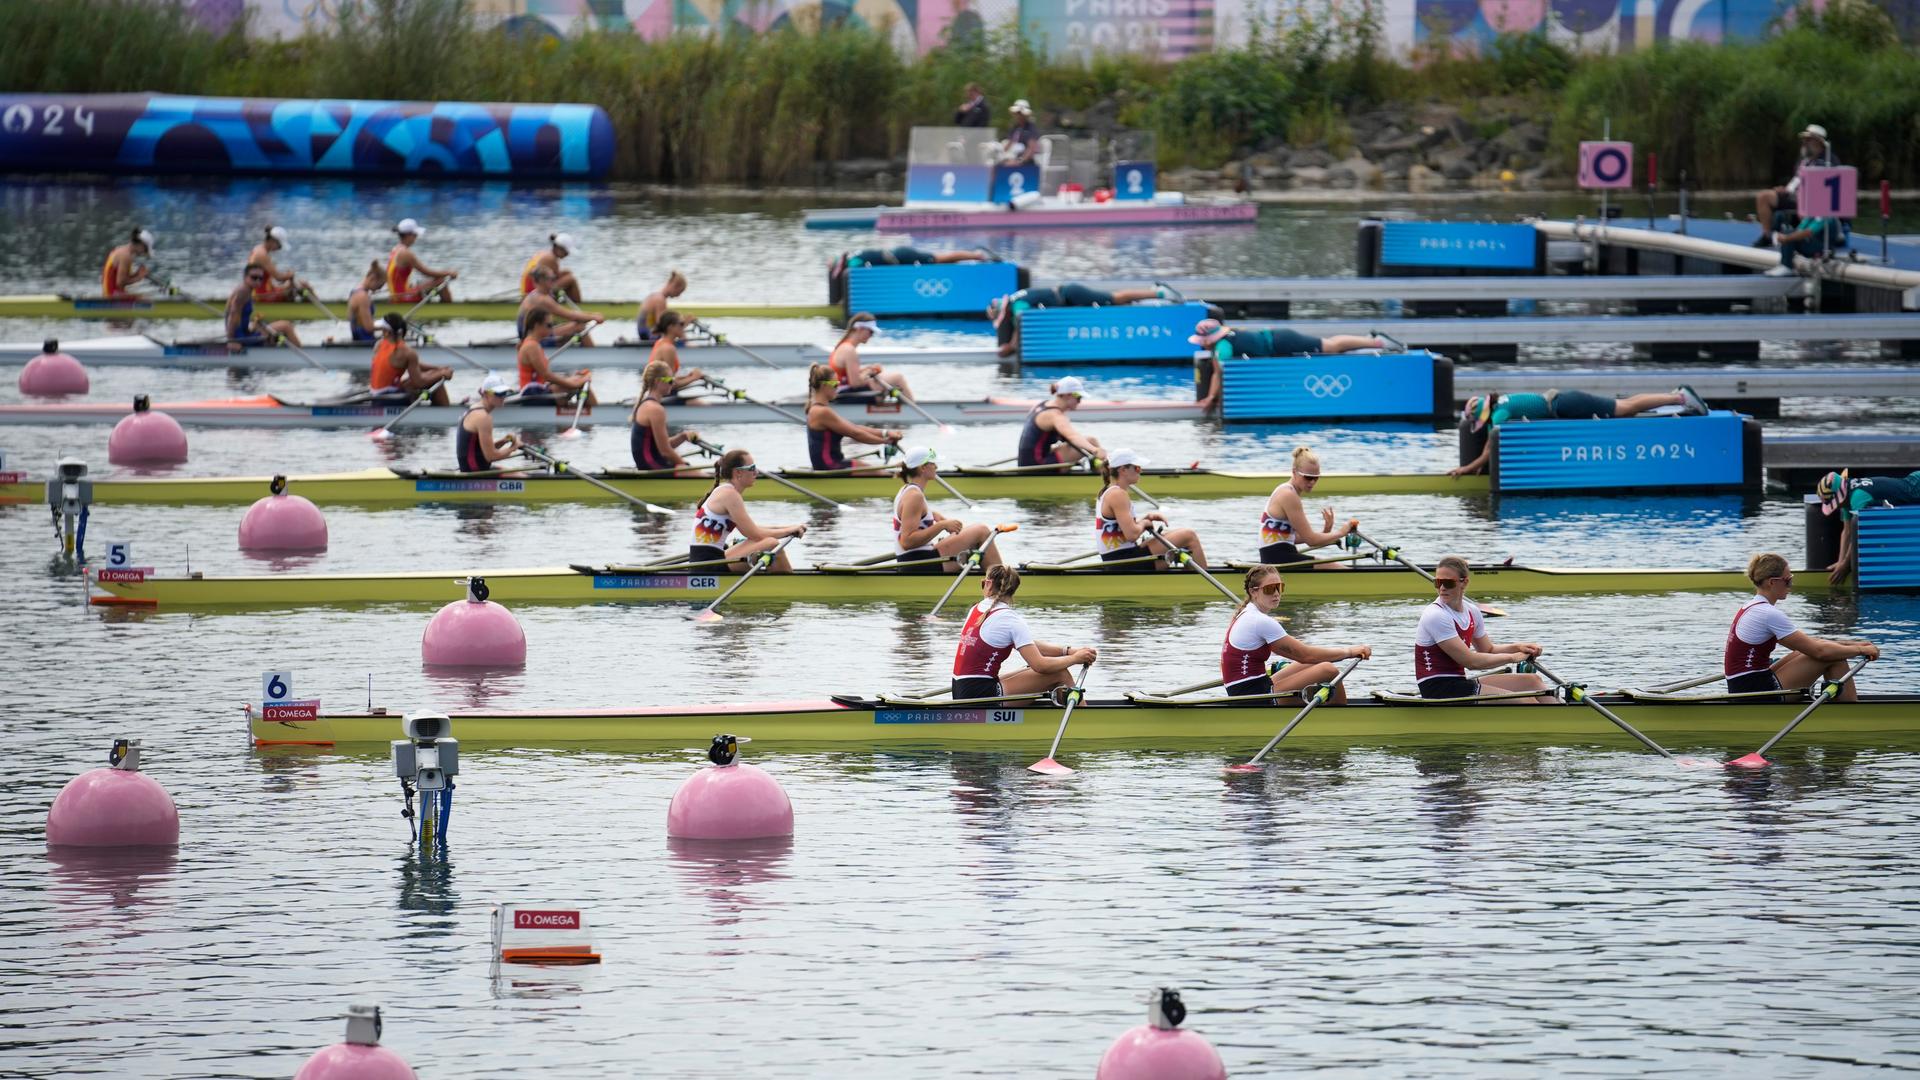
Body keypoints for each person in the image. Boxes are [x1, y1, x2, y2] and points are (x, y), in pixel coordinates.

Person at [1450, 386, 1710, 478]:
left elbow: (1489, 448)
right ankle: (1675, 397)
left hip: (1567, 403)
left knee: (1625, 407)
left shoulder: (1500, 414)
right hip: (1564, 404)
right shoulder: (1502, 404)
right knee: (1627, 409)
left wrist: (1465, 469)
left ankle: (1679, 398)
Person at [1725, 552, 1877, 701]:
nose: (1791, 585)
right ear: (1772, 582)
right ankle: (1850, 714)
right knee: (1833, 657)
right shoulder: (1767, 613)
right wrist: (1861, 650)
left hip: (1746, 684)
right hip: (1753, 692)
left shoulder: (1752, 606)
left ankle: (1845, 707)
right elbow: (1820, 652)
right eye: (1788, 580)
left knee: (1814, 651)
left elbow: (1812, 645)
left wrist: (1855, 645)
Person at [1223, 565, 1372, 703]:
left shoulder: (1246, 614)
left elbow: (1304, 655)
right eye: (1269, 589)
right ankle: (1340, 716)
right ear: (1253, 591)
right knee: (1329, 670)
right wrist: (1350, 652)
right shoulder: (1258, 620)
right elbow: (1306, 654)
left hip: (1252, 687)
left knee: (1316, 662)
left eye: (1279, 587)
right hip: (1252, 697)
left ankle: (1328, 706)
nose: (1276, 593)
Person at [1414, 555, 1551, 702]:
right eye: (1438, 582)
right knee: (1528, 701)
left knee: (1533, 681)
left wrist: (1518, 647)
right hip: (1439, 689)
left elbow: (1488, 650)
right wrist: (1513, 658)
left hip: (1459, 684)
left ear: (1464, 582)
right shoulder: (1435, 615)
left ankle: (1562, 717)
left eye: (1448, 583)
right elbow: (1472, 662)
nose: (1441, 588)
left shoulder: (1472, 611)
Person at [951, 565, 1097, 701]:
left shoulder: (976, 609)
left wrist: (1069, 651)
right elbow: (1041, 665)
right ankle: (1081, 721)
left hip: (960, 689)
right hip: (981, 695)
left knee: (1030, 670)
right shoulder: (1009, 619)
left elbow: (1028, 644)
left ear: (988, 585)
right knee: (1058, 673)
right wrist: (1075, 659)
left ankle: (1061, 710)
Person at [1189, 317, 1389, 411]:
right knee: (1331, 345)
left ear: (1208, 339)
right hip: (1277, 338)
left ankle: (1376, 342)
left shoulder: (1222, 347)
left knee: (1331, 346)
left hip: (1283, 341)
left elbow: (1218, 373)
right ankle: (1371, 341)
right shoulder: (1226, 339)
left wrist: (1210, 399)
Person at [689, 449, 807, 572]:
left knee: (763, 541)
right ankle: (789, 585)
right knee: (772, 544)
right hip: (706, 567)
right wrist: (789, 531)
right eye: (752, 468)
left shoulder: (724, 490)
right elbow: (756, 534)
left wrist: (789, 528)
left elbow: (752, 529)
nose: (756, 472)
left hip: (711, 558)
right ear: (738, 472)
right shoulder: (730, 495)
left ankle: (778, 581)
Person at [989, 283, 1179, 357]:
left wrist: (1011, 347)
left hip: (1071, 294)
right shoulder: (1014, 299)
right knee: (1113, 302)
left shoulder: (1016, 306)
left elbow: (1022, 321)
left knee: (1115, 298)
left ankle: (1159, 292)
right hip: (1066, 295)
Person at [1095, 449, 1209, 570]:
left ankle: (1190, 578)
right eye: (1137, 468)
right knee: (1189, 536)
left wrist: (1145, 518)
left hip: (1120, 558)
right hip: (1123, 562)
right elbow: (1132, 535)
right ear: (1123, 470)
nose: (1141, 471)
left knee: (1173, 535)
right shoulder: (1117, 494)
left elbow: (1121, 528)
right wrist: (1144, 523)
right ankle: (1202, 583)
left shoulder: (1109, 490)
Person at [894, 447, 1002, 572]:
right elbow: (907, 542)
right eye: (933, 463)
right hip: (918, 563)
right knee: (981, 531)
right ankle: (1002, 584)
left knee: (970, 536)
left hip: (918, 559)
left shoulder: (906, 490)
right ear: (923, 468)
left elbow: (911, 516)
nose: (936, 467)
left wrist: (932, 514)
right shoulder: (914, 496)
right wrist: (941, 525)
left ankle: (994, 577)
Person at [1817, 469, 1920, 585]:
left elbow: (1857, 532)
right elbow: (1847, 532)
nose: (1835, 508)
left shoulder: (1858, 496)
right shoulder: (1848, 493)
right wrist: (1840, 563)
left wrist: (1846, 565)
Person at [1260, 447, 1358, 568]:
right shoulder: (1288, 495)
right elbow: (1311, 540)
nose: (1312, 482)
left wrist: (1325, 532)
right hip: (1279, 558)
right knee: (1343, 570)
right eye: (1308, 477)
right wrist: (1341, 532)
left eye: (1316, 477)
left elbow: (1292, 538)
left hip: (1278, 556)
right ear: (1294, 472)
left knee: (1331, 565)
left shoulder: (1286, 491)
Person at [806, 363, 903, 471]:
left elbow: (855, 428)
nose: (837, 388)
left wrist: (886, 433)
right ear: (824, 386)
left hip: (829, 464)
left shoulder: (818, 409)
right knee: (881, 473)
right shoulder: (822, 412)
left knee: (875, 469)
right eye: (835, 384)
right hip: (830, 466)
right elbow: (855, 433)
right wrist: (885, 441)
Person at [1754, 124, 1839, 247]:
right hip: (1797, 196)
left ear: (1819, 142)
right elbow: (1797, 179)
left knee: (1805, 204)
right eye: (1804, 140)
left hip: (1815, 200)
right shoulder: (1805, 159)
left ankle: (1805, 239)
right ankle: (1767, 236)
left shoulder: (1829, 160)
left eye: (1808, 140)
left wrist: (1802, 193)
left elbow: (1827, 187)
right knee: (1763, 197)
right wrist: (1786, 189)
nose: (1804, 142)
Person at [631, 359, 702, 472]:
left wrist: (682, 436)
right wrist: (686, 467)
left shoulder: (647, 405)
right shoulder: (655, 409)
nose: (673, 383)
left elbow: (660, 446)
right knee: (702, 476)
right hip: (652, 466)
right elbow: (665, 451)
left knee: (698, 473)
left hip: (649, 464)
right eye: (670, 380)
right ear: (658, 382)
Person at [1016, 376, 1102, 467]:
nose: (1079, 402)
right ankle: (1104, 477)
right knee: (1091, 442)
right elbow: (1073, 436)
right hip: (1036, 465)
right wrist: (1095, 450)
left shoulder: (1042, 405)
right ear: (1068, 395)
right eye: (1079, 397)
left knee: (1081, 445)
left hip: (1027, 461)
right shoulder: (1056, 416)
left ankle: (1100, 472)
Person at [515, 308, 594, 405]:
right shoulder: (532, 346)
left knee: (576, 379)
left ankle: (583, 414)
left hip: (537, 390)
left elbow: (545, 377)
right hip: (532, 394)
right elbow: (547, 376)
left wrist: (571, 379)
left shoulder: (534, 344)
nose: (552, 329)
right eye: (549, 325)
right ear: (536, 326)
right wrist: (574, 383)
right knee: (579, 383)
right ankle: (598, 416)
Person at [368, 313, 451, 405]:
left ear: (387, 332)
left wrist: (437, 369)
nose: (381, 331)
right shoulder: (406, 352)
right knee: (436, 380)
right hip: (388, 399)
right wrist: (442, 374)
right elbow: (419, 382)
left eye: (382, 329)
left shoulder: (379, 345)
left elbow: (414, 365)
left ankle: (440, 412)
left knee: (427, 376)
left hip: (375, 396)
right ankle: (445, 415)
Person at [830, 314, 914, 401]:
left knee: (888, 386)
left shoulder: (843, 346)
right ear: (860, 329)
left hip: (842, 391)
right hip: (846, 394)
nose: (871, 335)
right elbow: (855, 383)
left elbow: (846, 375)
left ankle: (902, 407)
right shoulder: (849, 350)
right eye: (871, 332)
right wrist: (869, 372)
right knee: (897, 378)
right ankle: (912, 410)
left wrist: (866, 370)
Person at [517, 265, 603, 346]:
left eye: (555, 278)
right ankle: (594, 355)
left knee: (571, 325)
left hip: (531, 335)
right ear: (541, 281)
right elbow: (570, 315)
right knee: (579, 326)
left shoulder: (536, 293)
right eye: (552, 279)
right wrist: (594, 316)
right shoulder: (542, 300)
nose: (554, 281)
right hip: (535, 340)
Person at [456, 373, 524, 472]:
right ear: (486, 394)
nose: (503, 397)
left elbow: (479, 451)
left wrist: (503, 441)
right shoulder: (483, 417)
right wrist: (514, 447)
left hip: (472, 468)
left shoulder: (474, 409)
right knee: (522, 476)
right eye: (498, 394)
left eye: (504, 393)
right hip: (475, 473)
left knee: (517, 473)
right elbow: (490, 456)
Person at [226, 264, 301, 351]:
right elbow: (232, 314)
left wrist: (253, 326)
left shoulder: (246, 289)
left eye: (260, 278)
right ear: (245, 277)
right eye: (254, 277)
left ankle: (278, 352)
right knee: (286, 326)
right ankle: (302, 354)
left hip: (244, 333)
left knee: (274, 330)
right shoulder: (243, 291)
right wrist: (231, 341)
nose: (257, 281)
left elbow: (239, 316)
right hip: (240, 338)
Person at [385, 218, 457, 303]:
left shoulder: (396, 249)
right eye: (415, 235)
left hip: (396, 295)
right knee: (441, 281)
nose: (416, 237)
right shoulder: (405, 253)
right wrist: (449, 273)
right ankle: (449, 311)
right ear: (409, 235)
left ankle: (440, 306)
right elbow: (426, 272)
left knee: (431, 283)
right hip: (402, 297)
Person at [1763, 208, 1849, 276]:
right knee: (1789, 231)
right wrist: (1783, 236)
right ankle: (1784, 264)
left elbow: (1808, 232)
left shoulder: (1825, 215)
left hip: (1823, 249)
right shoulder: (1812, 214)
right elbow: (1799, 230)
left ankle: (1787, 266)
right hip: (1813, 244)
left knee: (1789, 235)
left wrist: (1786, 238)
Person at [648, 311, 707, 395]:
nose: (684, 327)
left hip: (659, 392)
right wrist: (694, 378)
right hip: (662, 396)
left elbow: (667, 379)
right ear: (670, 327)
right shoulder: (668, 348)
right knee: (702, 405)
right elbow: (670, 384)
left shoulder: (660, 342)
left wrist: (688, 376)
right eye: (681, 324)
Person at [246, 226, 309, 303]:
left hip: (266, 290)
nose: (279, 248)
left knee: (301, 286)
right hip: (261, 296)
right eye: (279, 246)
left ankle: (306, 301)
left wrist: (287, 277)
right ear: (273, 241)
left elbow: (274, 276)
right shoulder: (262, 254)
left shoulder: (259, 248)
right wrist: (290, 274)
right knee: (304, 287)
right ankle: (309, 307)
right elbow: (278, 277)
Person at [520, 233, 582, 301]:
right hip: (532, 290)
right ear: (559, 248)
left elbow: (553, 276)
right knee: (571, 279)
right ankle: (578, 304)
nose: (567, 254)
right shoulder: (551, 259)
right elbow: (553, 279)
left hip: (529, 286)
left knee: (568, 273)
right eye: (566, 252)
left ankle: (565, 302)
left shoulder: (545, 253)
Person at [102, 228, 155, 298]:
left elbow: (123, 278)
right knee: (148, 297)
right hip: (113, 297)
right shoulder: (126, 256)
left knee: (146, 295)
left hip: (110, 294)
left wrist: (137, 274)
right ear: (140, 244)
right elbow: (120, 283)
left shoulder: (121, 249)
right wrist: (139, 277)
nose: (143, 253)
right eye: (145, 250)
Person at [638, 270, 687, 341]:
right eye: (680, 291)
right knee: (681, 335)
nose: (679, 295)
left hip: (645, 334)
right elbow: (663, 326)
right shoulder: (660, 300)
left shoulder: (654, 296)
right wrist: (683, 324)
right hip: (649, 337)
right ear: (675, 286)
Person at [345, 261, 386, 343]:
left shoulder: (354, 291)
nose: (379, 289)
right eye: (379, 285)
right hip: (365, 341)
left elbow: (349, 317)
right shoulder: (363, 297)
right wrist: (388, 326)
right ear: (373, 278)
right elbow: (369, 327)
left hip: (357, 339)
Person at [1000, 100, 1039, 166]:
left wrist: (1019, 161)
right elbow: (1008, 145)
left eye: (1020, 113)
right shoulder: (1015, 127)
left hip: (1026, 163)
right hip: (1011, 159)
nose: (1018, 116)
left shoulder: (1031, 128)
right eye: (1017, 113)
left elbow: (1031, 148)